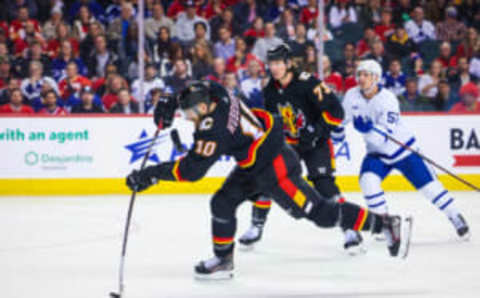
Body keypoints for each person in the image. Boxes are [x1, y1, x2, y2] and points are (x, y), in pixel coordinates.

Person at [125, 80, 412, 280]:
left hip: (274, 167)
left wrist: (150, 174)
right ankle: (224, 260)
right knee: (222, 203)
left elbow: (190, 172)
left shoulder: (214, 132)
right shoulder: (218, 93)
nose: (187, 118)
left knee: (321, 214)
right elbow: (200, 87)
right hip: (257, 159)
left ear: (203, 109)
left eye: (188, 113)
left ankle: (384, 223)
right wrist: (172, 100)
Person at [239, 44, 363, 254]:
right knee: (265, 179)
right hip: (290, 145)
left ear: (288, 64)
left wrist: (316, 132)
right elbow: (271, 121)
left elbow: (336, 111)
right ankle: (256, 227)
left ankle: (349, 228)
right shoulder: (270, 90)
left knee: (324, 185)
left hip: (316, 144)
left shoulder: (308, 83)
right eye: (271, 64)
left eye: (278, 63)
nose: (275, 68)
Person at [338, 59, 469, 241]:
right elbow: (341, 119)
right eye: (359, 74)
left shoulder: (388, 99)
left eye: (366, 74)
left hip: (403, 152)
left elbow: (381, 137)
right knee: (367, 182)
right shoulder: (351, 95)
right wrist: (335, 129)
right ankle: (383, 224)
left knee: (431, 189)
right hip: (377, 155)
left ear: (376, 77)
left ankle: (455, 216)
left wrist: (366, 128)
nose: (361, 78)